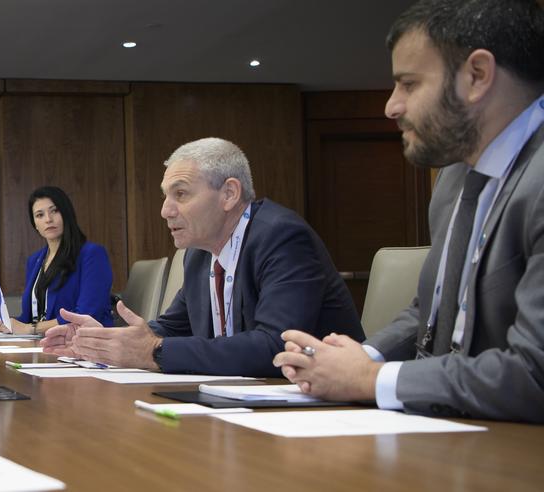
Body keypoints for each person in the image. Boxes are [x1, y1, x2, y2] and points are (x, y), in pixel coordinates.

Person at [275, 0, 544, 423]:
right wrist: (357, 358)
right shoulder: (455, 179)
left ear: (477, 76)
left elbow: (535, 375)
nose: (392, 106)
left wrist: (371, 380)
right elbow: (431, 313)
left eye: (409, 84)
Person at [43, 138, 362, 377]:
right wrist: (103, 340)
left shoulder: (281, 237)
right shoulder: (197, 255)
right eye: (165, 196)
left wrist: (153, 352)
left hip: (324, 408)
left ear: (229, 194)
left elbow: (274, 348)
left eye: (180, 194)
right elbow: (169, 328)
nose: (165, 211)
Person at [0, 186, 114, 334]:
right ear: (35, 224)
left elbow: (87, 314)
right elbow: (31, 317)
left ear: (67, 214)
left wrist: (31, 329)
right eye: (40, 215)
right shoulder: (34, 261)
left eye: (54, 211)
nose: (48, 219)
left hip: (84, 344)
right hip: (43, 344)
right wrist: (4, 324)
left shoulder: (92, 254)